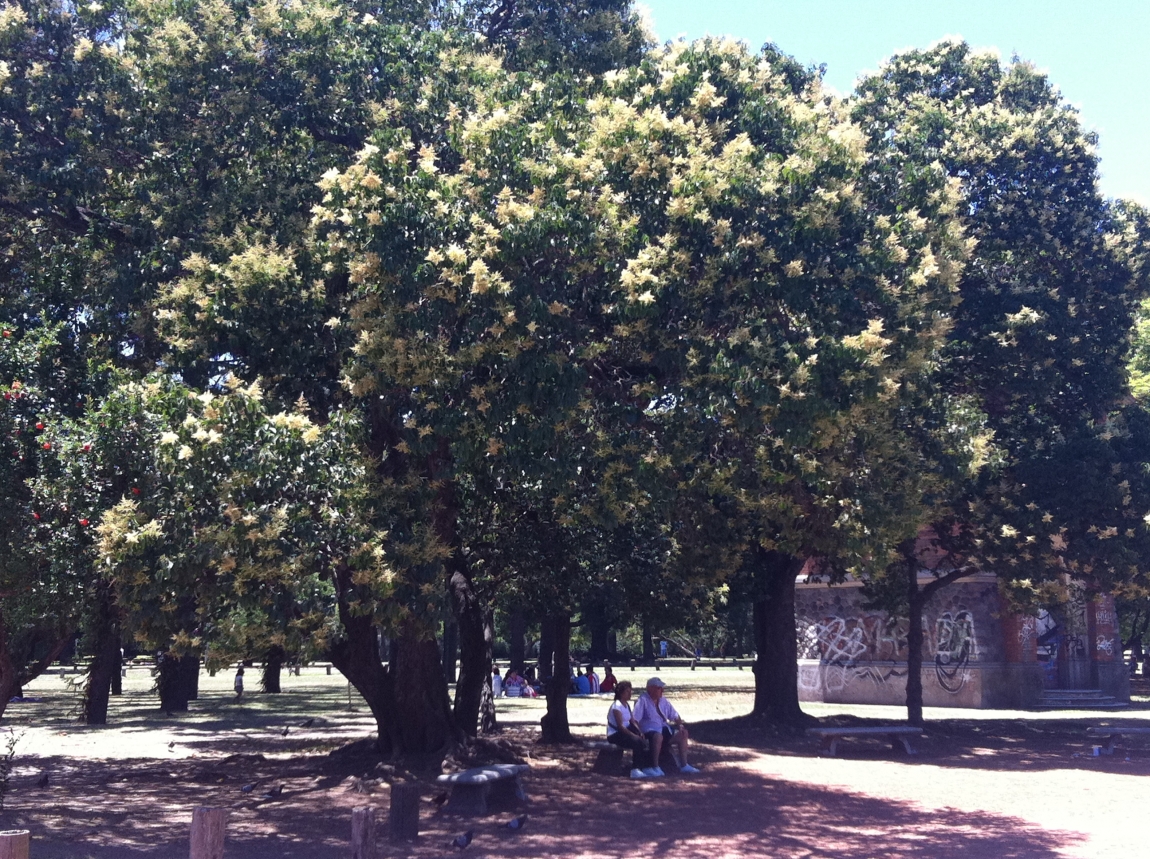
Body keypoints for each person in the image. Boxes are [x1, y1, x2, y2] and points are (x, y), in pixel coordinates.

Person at [631, 676, 699, 776]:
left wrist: (680, 725)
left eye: (662, 688)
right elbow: (634, 719)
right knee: (658, 736)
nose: (662, 690)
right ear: (650, 689)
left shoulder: (663, 700)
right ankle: (655, 767)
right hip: (650, 731)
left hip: (665, 730)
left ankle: (684, 765)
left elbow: (675, 715)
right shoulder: (643, 700)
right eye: (659, 688)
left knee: (683, 734)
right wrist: (639, 732)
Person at [607, 681, 652, 778]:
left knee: (643, 739)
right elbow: (620, 726)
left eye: (630, 691)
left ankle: (645, 766)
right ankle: (635, 769)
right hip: (615, 734)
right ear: (621, 693)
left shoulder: (626, 705)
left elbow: (632, 721)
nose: (630, 693)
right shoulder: (616, 706)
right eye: (627, 691)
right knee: (636, 741)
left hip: (625, 732)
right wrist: (634, 735)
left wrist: (639, 732)